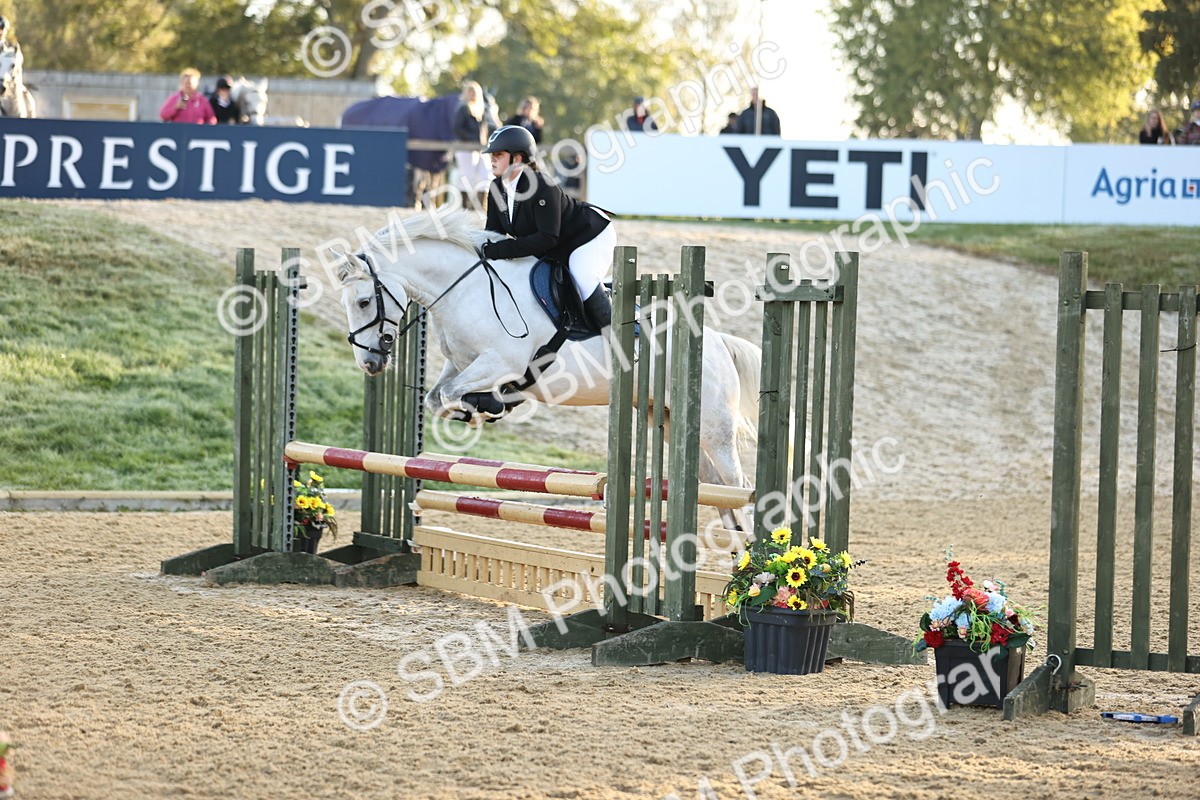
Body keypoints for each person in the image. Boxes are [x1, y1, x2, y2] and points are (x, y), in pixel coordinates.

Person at [480, 125, 615, 328]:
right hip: (556, 246)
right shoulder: (496, 188)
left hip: (588, 235)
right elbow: (493, 233)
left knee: (583, 280)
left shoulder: (542, 186)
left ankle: (622, 338)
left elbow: (547, 237)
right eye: (492, 155)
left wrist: (498, 250)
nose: (492, 159)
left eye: (498, 155)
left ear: (517, 159)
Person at [453, 80, 495, 207]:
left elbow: (487, 128)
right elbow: (457, 128)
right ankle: (465, 206)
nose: (473, 95)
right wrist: (471, 140)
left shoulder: (482, 110)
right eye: (470, 92)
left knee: (486, 174)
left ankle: (482, 206)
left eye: (475, 92)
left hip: (480, 148)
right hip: (466, 148)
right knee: (467, 176)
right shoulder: (463, 109)